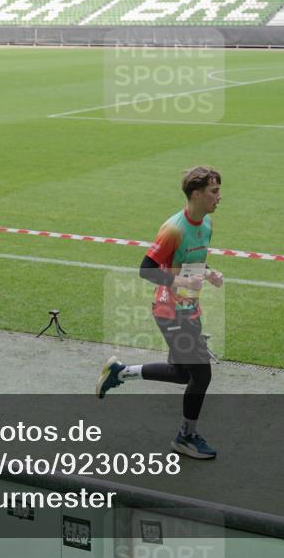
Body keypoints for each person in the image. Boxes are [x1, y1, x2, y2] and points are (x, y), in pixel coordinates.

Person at [95, 166, 224, 460]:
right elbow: (146, 270)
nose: (219, 197)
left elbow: (192, 264)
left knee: (182, 373)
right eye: (214, 191)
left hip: (189, 308)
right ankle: (185, 437)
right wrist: (180, 282)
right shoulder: (173, 229)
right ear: (196, 194)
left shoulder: (205, 225)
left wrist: (210, 274)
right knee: (201, 374)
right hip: (170, 310)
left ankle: (120, 372)